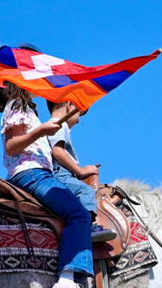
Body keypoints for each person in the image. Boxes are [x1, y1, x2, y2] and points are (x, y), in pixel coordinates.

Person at [0, 44, 101, 288]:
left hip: (33, 172)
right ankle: (67, 281)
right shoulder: (18, 104)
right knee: (78, 215)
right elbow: (12, 146)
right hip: (32, 173)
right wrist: (40, 131)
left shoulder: (27, 108)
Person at [43, 99, 116, 242]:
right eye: (80, 114)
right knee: (86, 191)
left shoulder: (54, 125)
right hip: (61, 173)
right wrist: (80, 171)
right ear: (69, 105)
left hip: (62, 173)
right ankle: (87, 227)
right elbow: (58, 152)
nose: (78, 121)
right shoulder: (59, 125)